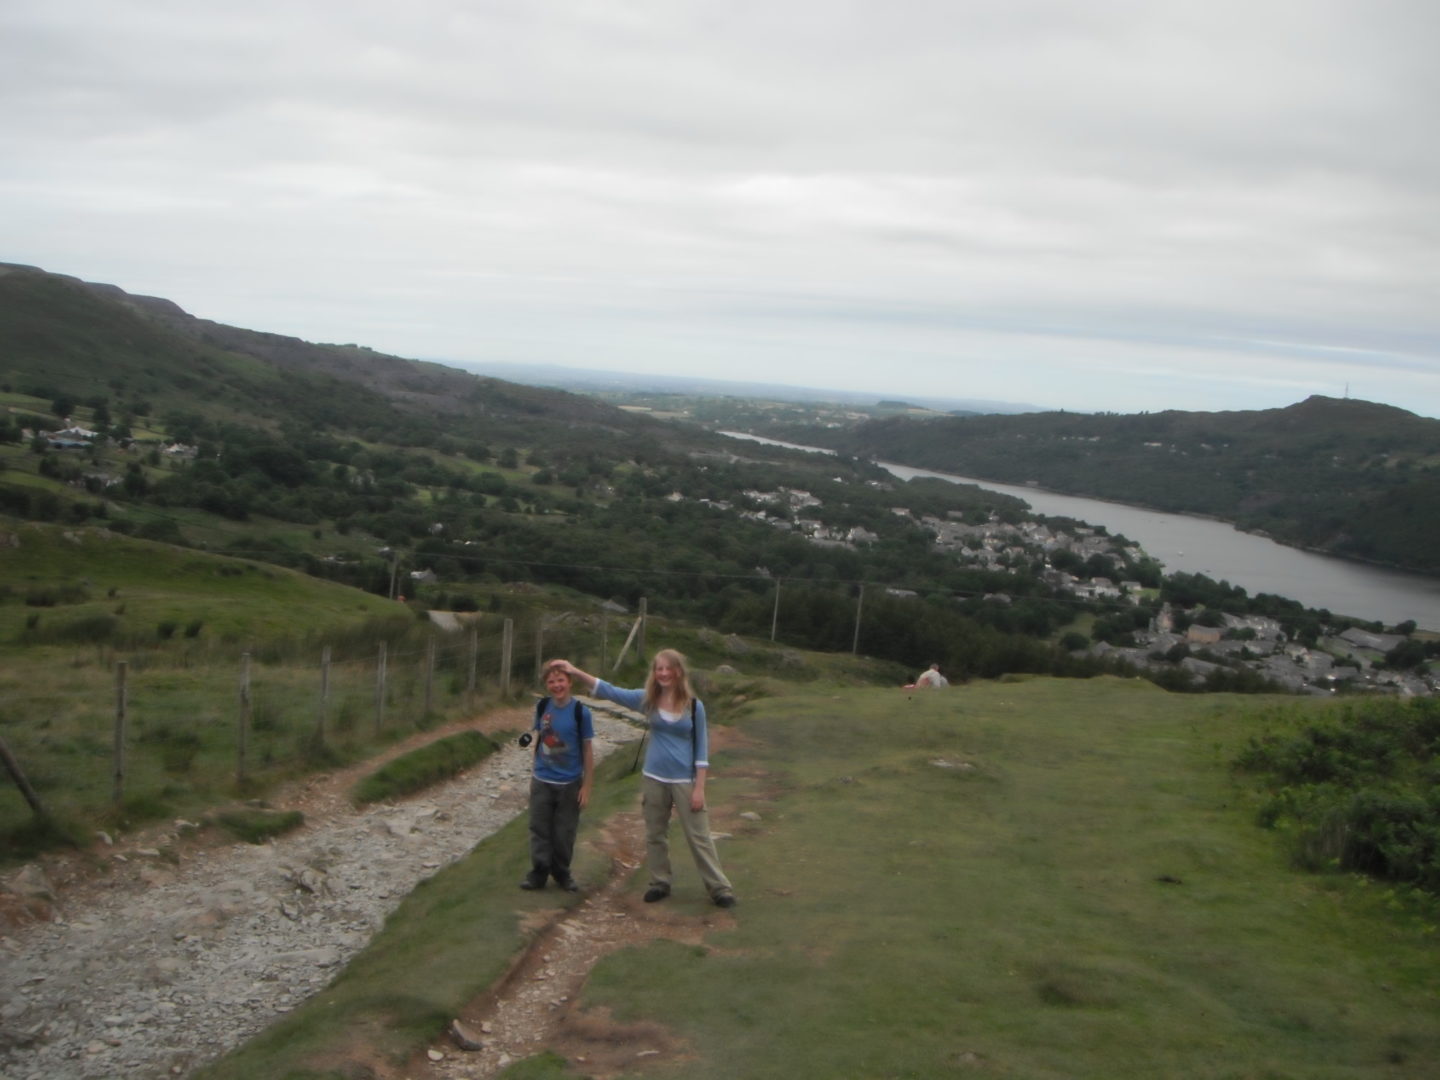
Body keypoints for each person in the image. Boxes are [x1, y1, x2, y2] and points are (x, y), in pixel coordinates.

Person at [551, 651, 736, 909]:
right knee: (655, 834)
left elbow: (701, 750)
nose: (663, 673)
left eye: (668, 669)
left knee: (699, 835)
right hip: (654, 778)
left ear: (679, 672)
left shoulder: (695, 707)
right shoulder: (648, 700)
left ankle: (719, 888)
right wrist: (575, 671)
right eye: (658, 669)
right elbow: (609, 690)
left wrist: (700, 788)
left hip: (685, 780)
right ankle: (660, 882)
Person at [519, 661, 595, 892]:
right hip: (542, 780)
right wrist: (533, 774)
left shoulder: (581, 712)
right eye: (551, 681)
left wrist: (587, 787)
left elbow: (587, 750)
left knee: (564, 832)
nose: (556, 685)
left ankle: (562, 873)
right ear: (546, 685)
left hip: (570, 783)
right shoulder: (542, 707)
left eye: (560, 680)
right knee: (539, 828)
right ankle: (539, 873)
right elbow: (540, 740)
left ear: (569, 682)